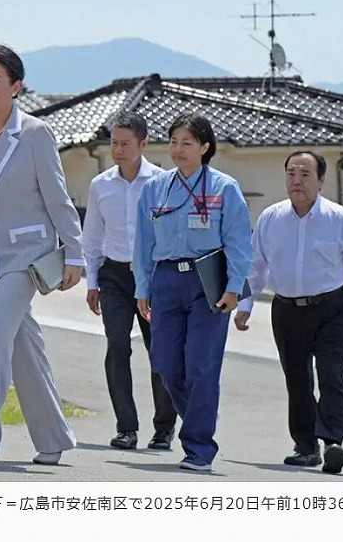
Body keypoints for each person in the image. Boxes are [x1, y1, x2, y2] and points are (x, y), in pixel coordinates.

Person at [0, 45, 84, 466]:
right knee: (26, 349)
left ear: (16, 87)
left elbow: (57, 197)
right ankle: (53, 438)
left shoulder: (36, 134)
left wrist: (75, 254)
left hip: (28, 258)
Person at [133, 112, 252, 471]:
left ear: (204, 147)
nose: (178, 149)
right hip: (167, 280)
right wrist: (142, 288)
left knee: (201, 366)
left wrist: (234, 288)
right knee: (166, 365)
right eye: (173, 142)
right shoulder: (155, 189)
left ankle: (199, 447)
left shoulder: (224, 188)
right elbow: (143, 244)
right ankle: (200, 419)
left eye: (187, 143)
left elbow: (239, 242)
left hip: (207, 282)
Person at [234, 151, 343, 475]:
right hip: (287, 309)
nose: (297, 181)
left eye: (305, 174)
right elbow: (254, 266)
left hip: (332, 309)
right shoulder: (271, 218)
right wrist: (245, 306)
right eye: (291, 173)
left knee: (330, 373)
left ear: (321, 181)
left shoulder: (340, 219)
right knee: (298, 380)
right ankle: (306, 447)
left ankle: (332, 441)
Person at [82, 111, 177, 451]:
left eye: (125, 144)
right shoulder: (100, 185)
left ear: (143, 144)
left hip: (152, 275)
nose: (118, 150)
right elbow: (92, 236)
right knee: (117, 344)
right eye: (114, 143)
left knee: (159, 351)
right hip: (114, 275)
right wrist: (92, 281)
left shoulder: (163, 182)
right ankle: (126, 427)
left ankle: (163, 428)